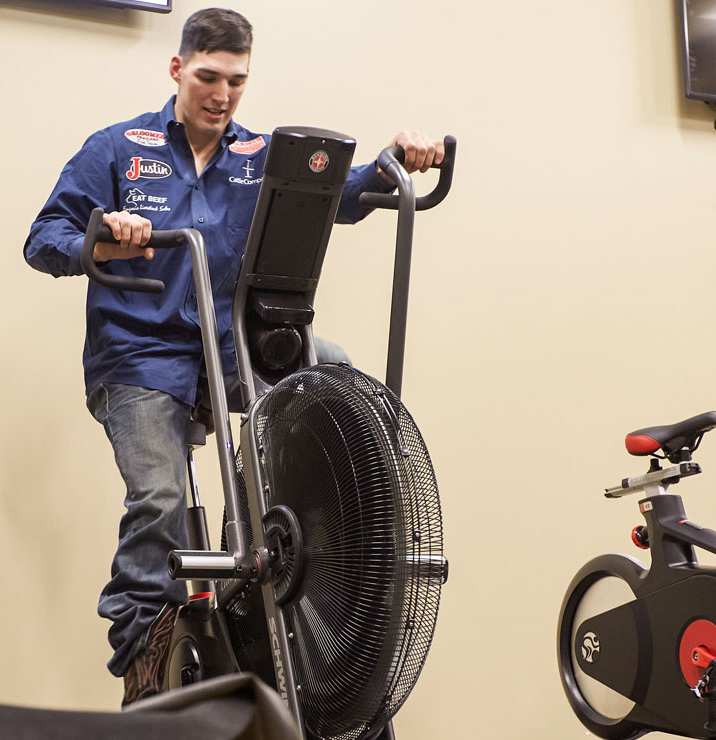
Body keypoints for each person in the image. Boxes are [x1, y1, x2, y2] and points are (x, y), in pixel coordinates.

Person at [23, 7, 442, 705]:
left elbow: (343, 191)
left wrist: (398, 161)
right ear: (178, 69)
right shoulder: (117, 150)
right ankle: (142, 654)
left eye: (237, 82)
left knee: (344, 385)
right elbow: (43, 238)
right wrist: (102, 239)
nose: (221, 95)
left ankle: (337, 554)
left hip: (232, 348)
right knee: (159, 498)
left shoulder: (258, 158)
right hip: (141, 355)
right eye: (209, 77)